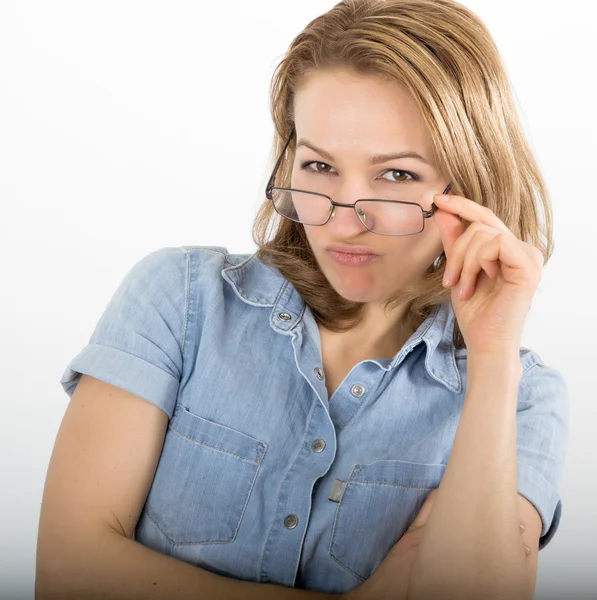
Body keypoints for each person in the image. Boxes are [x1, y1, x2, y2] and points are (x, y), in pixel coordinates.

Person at [35, 0, 568, 598]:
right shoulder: (181, 300)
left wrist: (493, 355)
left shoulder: (523, 398)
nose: (343, 223)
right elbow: (65, 573)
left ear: (468, 185)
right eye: (318, 165)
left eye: (396, 175)